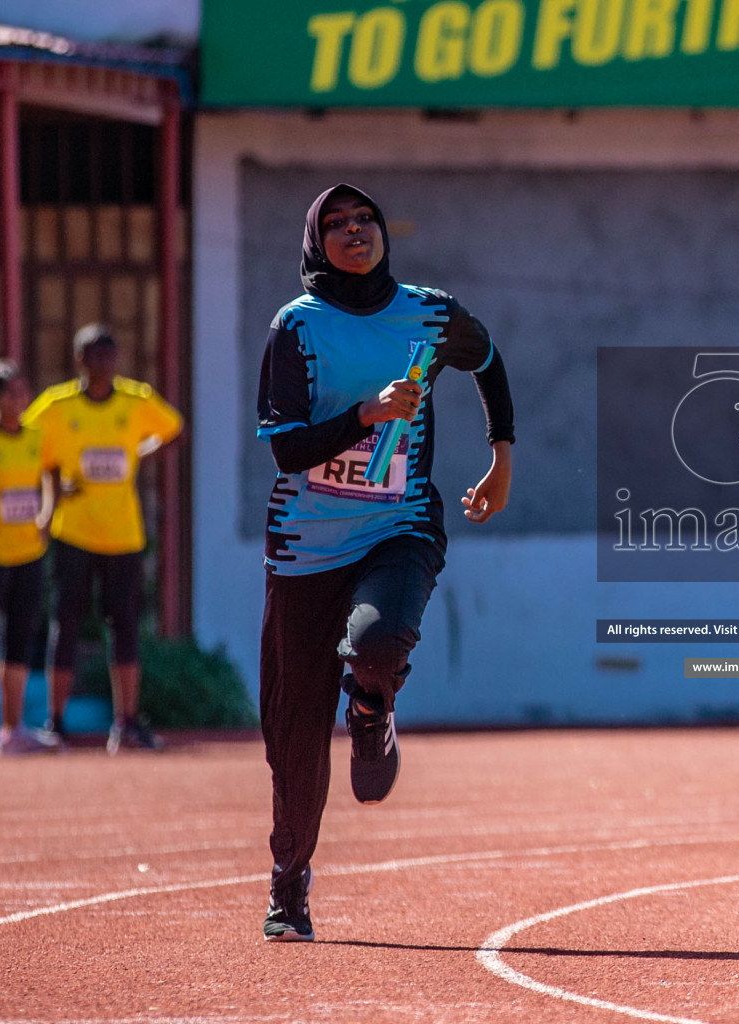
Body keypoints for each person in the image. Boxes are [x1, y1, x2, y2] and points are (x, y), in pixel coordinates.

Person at [254, 184, 514, 942]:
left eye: (363, 218)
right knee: (292, 736)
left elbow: (489, 361)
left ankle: (371, 709)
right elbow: (287, 447)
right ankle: (289, 882)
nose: (352, 231)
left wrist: (502, 461)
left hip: (396, 526)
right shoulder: (296, 327)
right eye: (334, 225)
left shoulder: (430, 313)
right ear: (316, 244)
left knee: (375, 643)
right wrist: (367, 414)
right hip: (304, 546)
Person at [26, 324, 184, 753]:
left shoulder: (136, 400)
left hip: (123, 535)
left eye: (111, 356)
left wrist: (138, 455)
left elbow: (173, 430)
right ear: (80, 360)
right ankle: (55, 723)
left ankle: (126, 722)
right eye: (97, 356)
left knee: (126, 626)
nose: (106, 364)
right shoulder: (57, 406)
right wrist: (53, 492)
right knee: (67, 624)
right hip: (73, 532)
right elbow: (31, 449)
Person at [0, 361, 59, 756]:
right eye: (10, 393)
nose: (19, 400)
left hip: (27, 553)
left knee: (19, 638)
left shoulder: (37, 436)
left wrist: (46, 515)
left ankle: (12, 729)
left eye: (24, 391)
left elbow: (51, 477)